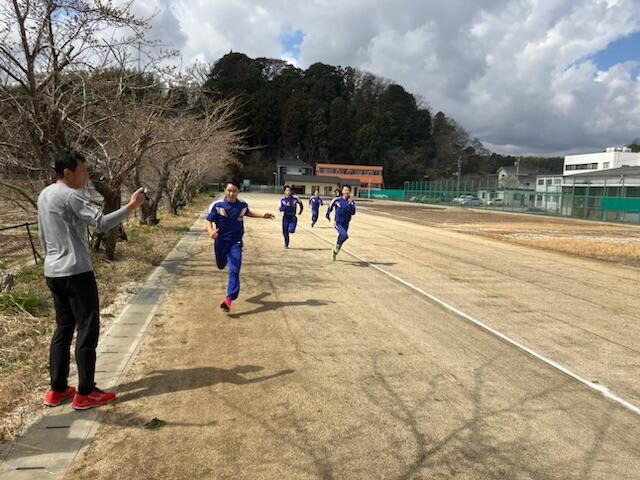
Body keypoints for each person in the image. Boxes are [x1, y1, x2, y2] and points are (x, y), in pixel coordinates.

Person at [38, 150, 146, 410]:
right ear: (67, 172)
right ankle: (85, 392)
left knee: (63, 328)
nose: (86, 175)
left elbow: (42, 235)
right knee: (87, 328)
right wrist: (131, 206)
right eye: (83, 170)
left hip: (53, 271)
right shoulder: (70, 195)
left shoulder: (44, 194)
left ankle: (57, 389)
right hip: (76, 272)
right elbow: (102, 223)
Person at [205, 180, 274, 312]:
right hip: (220, 242)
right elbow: (209, 220)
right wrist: (211, 231)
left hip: (235, 243)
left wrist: (262, 216)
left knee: (234, 270)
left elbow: (248, 213)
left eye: (234, 191)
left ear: (238, 192)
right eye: (229, 191)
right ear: (225, 190)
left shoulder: (242, 205)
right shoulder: (218, 206)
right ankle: (224, 261)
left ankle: (229, 299)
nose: (232, 194)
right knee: (220, 265)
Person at [326, 185, 356, 261]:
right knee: (344, 235)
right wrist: (327, 215)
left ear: (350, 192)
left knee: (342, 238)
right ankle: (335, 249)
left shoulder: (352, 202)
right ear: (342, 191)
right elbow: (330, 206)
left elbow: (353, 212)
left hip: (346, 223)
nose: (346, 192)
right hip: (338, 223)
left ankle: (335, 252)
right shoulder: (337, 200)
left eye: (348, 190)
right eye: (345, 190)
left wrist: (350, 204)